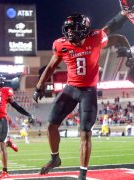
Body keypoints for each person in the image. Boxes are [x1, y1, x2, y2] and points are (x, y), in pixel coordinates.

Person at [33, 13, 108, 180]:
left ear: (84, 29)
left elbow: (114, 35)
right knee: (51, 125)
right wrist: (39, 87)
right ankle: (55, 158)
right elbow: (51, 66)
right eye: (68, 29)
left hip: (88, 91)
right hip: (70, 89)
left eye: (74, 29)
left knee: (85, 132)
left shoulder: (97, 37)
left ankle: (82, 173)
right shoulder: (61, 44)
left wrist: (128, 50)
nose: (71, 33)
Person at [0, 72, 35, 178]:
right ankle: (8, 143)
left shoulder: (6, 90)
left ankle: (5, 171)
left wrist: (28, 114)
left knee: (1, 143)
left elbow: (16, 106)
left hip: (2, 121)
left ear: (1, 81)